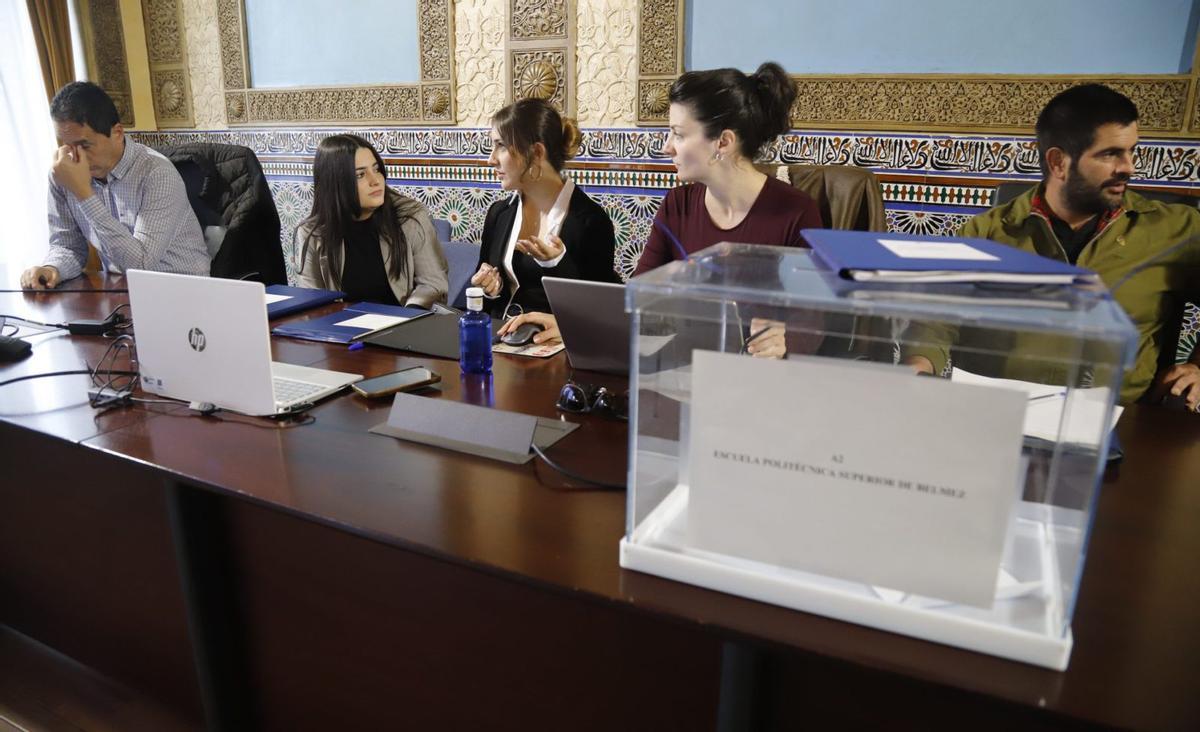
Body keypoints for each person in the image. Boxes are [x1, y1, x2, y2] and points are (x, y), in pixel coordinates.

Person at [902, 84, 1200, 409]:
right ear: (1058, 162)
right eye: (1110, 154)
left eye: (1131, 151)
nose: (1128, 166)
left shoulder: (1175, 230)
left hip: (1116, 428)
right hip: (995, 416)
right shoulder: (986, 234)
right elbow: (934, 319)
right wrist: (919, 365)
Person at [633, 62, 824, 358]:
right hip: (683, 369)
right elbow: (642, 293)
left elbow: (814, 320)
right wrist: (582, 322)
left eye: (678, 134)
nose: (667, 147)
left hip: (760, 380)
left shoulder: (796, 212)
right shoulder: (676, 205)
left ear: (723, 142)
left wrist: (785, 340)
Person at [20, 82, 209, 289]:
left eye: (84, 145)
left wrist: (83, 193)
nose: (76, 156)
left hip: (183, 292)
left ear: (117, 133)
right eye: (67, 145)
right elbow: (68, 246)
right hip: (121, 293)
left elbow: (141, 264)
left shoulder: (157, 173)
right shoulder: (63, 174)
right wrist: (52, 268)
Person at [473, 98, 619, 346]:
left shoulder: (590, 221)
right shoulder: (499, 214)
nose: (491, 159)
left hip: (557, 354)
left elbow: (599, 314)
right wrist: (489, 289)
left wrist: (557, 263)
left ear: (537, 152)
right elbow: (487, 303)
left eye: (501, 146)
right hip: (501, 346)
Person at [296, 134, 448, 308]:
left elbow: (433, 284)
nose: (375, 181)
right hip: (343, 330)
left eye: (376, 169)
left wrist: (410, 315)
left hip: (403, 326)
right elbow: (312, 300)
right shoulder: (312, 233)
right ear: (336, 182)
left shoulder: (410, 217)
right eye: (360, 174)